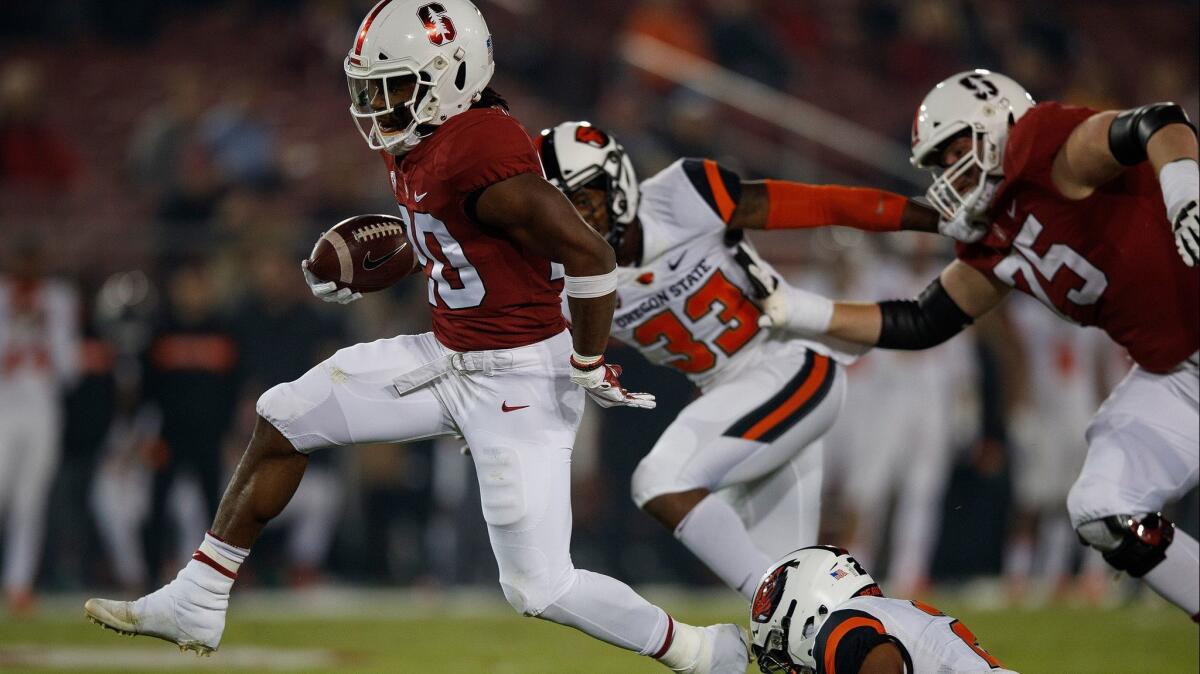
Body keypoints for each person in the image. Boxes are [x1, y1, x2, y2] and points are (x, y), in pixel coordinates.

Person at [86, 3, 747, 671]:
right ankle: (198, 594)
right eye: (370, 86)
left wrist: (587, 356)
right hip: (450, 357)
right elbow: (456, 235)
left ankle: (700, 651)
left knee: (539, 587)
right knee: (286, 416)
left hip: (517, 378)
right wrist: (379, 261)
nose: (376, 103)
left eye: (394, 85)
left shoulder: (480, 147)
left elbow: (589, 255)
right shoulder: (429, 138)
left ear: (453, 74)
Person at [759, 69, 1200, 620]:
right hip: (1176, 373)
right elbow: (921, 321)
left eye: (952, 149)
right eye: (938, 161)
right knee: (1102, 509)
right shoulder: (995, 237)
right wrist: (795, 309)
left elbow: (1159, 122)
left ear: (995, 125)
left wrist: (1185, 194)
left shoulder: (1045, 149)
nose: (947, 170)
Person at [537, 121, 944, 600]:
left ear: (617, 180)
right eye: (563, 204)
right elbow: (538, 363)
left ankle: (778, 607)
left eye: (587, 197)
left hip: (789, 365)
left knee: (660, 481)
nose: (580, 215)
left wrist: (934, 218)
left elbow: (822, 204)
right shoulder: (561, 280)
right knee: (807, 602)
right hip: (741, 399)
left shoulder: (682, 194)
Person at [749, 546, 1014, 673]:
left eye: (781, 651)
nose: (791, 670)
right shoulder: (883, 613)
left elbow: (877, 656)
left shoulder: (841, 624)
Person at [0, 237, 80, 614]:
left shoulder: (59, 299)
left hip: (42, 408)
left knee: (30, 501)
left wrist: (44, 331)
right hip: (3, 404)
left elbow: (70, 369)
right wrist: (16, 329)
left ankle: (19, 583)